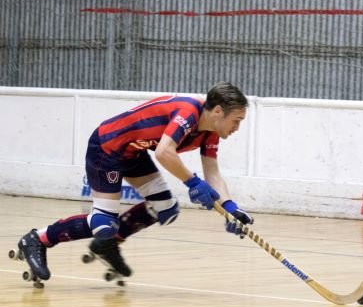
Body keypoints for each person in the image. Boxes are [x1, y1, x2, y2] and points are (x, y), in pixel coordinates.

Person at [16, 81, 254, 282]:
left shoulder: (210, 132)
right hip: (107, 148)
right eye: (237, 120)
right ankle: (38, 239)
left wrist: (230, 208)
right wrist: (192, 182)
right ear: (218, 111)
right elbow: (164, 152)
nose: (237, 127)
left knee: (165, 208)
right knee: (103, 223)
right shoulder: (188, 112)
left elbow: (212, 173)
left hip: (133, 153)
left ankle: (107, 245)